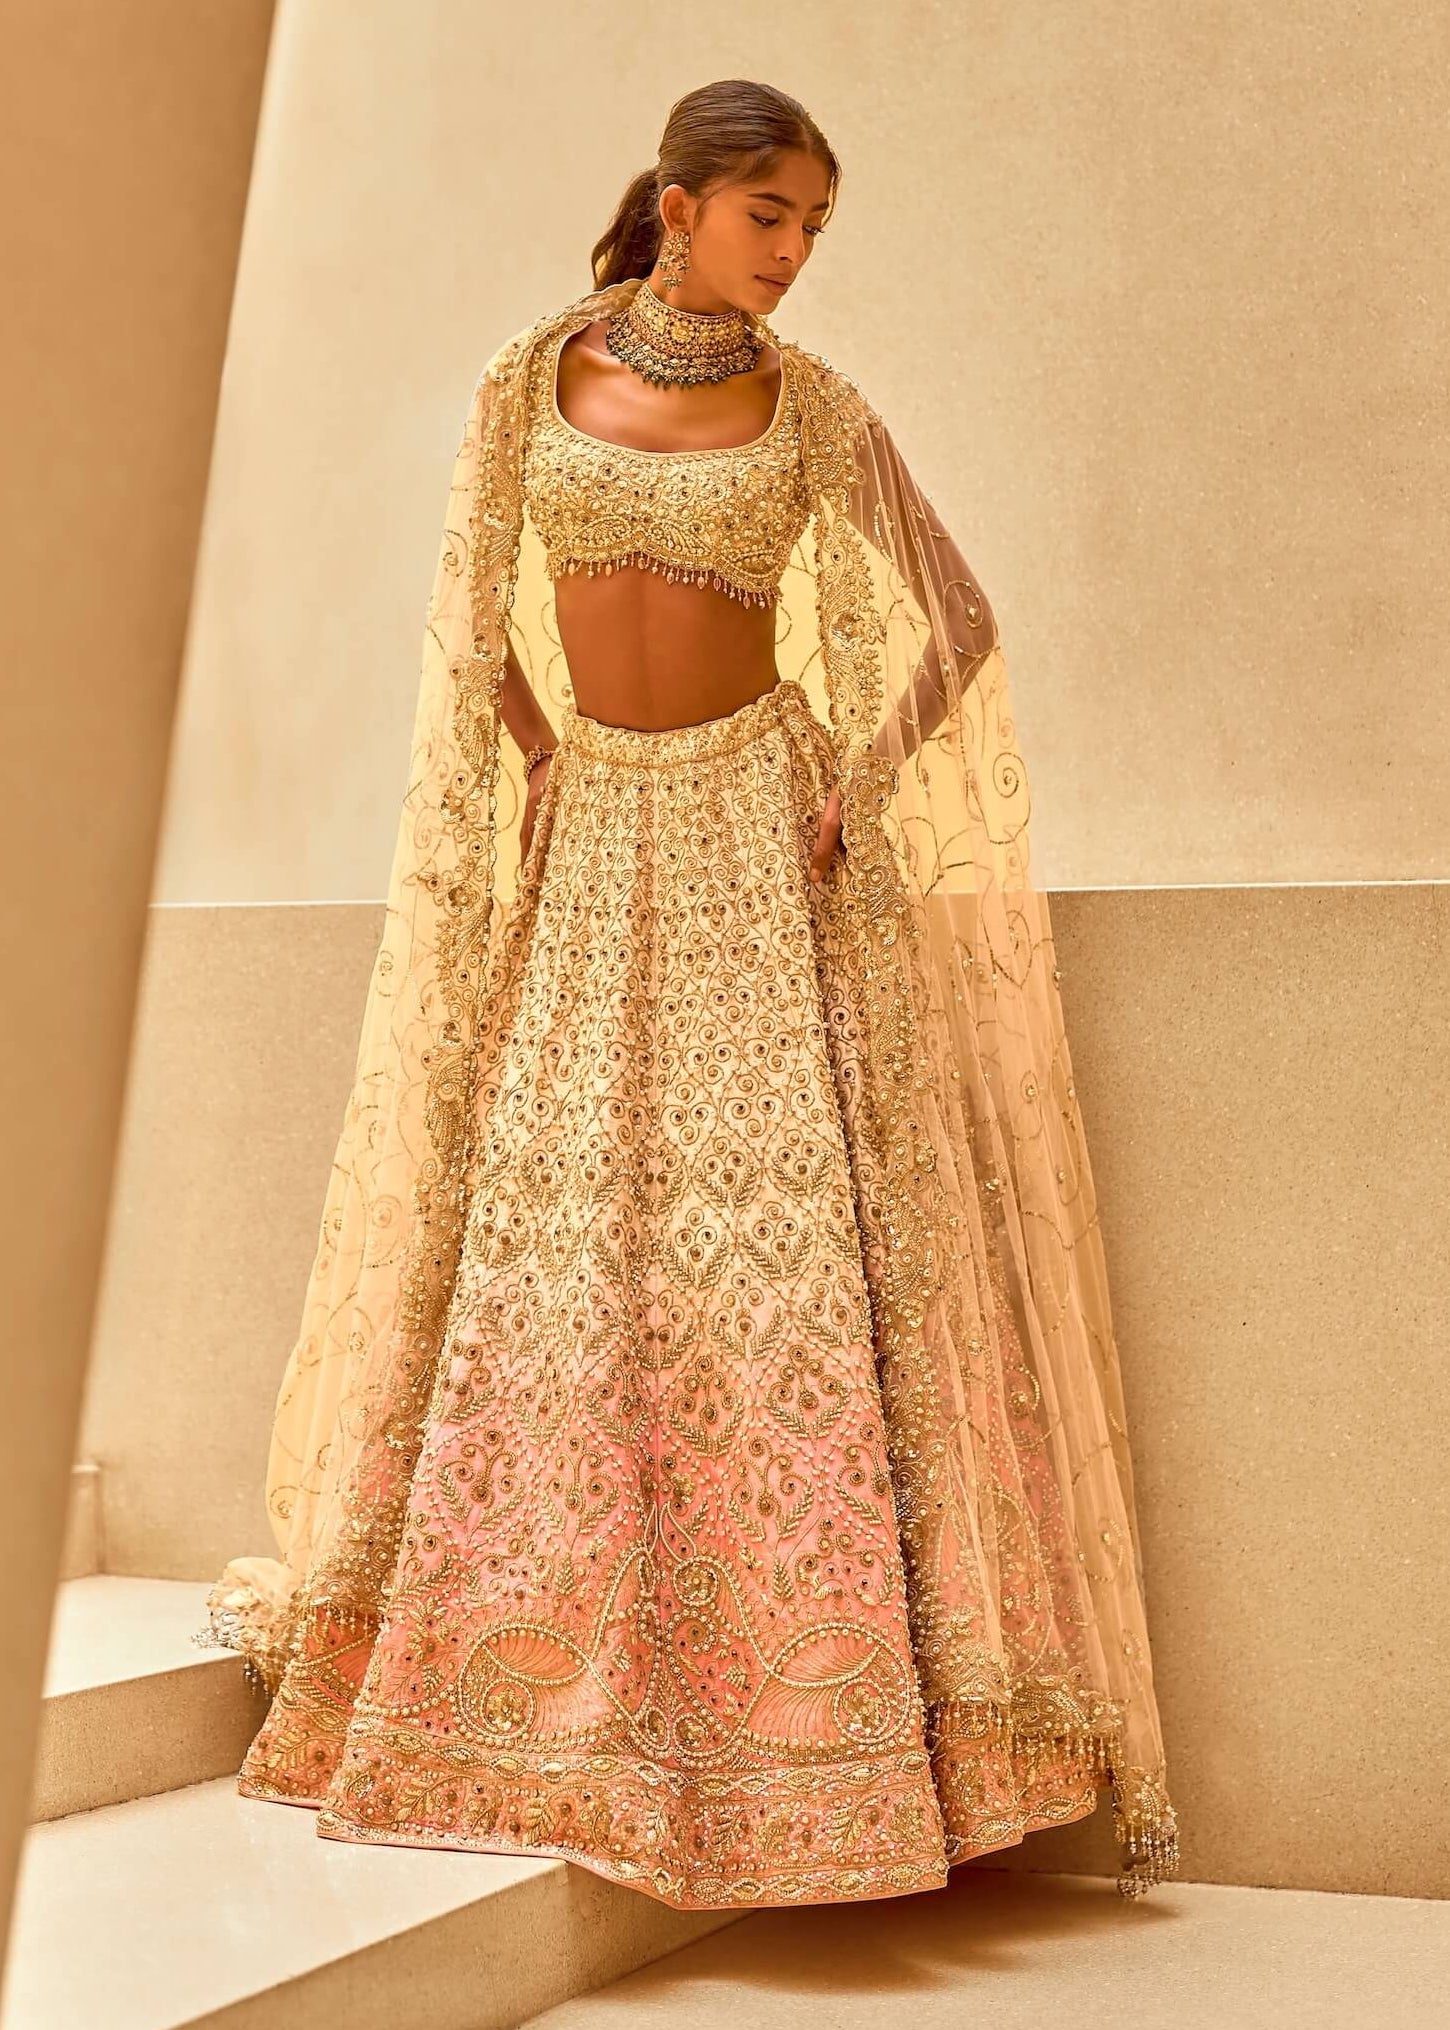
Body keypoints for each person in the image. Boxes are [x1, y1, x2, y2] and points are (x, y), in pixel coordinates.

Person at [196, 77, 1181, 1911]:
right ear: (678, 204)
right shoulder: (531, 378)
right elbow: (468, 619)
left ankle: (810, 1725)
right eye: (768, 214)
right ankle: (539, 1691)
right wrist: (536, 753)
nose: (793, 252)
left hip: (754, 834)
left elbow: (957, 619)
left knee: (776, 1260)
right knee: (561, 1244)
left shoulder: (812, 408)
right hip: (594, 841)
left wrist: (855, 778)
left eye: (814, 225)